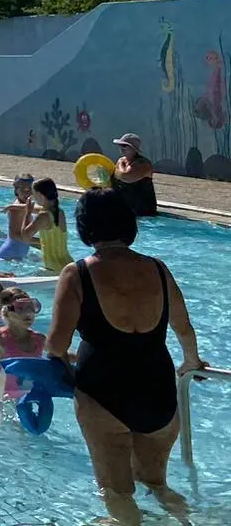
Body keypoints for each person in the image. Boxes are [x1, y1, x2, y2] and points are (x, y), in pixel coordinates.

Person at [46, 188, 207, 525]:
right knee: (158, 484)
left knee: (117, 492)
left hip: (103, 395)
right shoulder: (158, 270)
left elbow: (56, 347)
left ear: (85, 227)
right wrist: (191, 362)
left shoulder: (77, 274)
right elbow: (185, 330)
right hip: (159, 392)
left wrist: (61, 369)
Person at [28, 177, 73, 272]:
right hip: (68, 265)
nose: (32, 196)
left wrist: (27, 214)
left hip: (53, 269)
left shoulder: (43, 215)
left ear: (40, 195)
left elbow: (25, 236)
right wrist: (15, 206)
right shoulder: (59, 212)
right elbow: (38, 208)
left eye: (33, 193)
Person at [111, 133, 158, 217]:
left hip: (143, 211)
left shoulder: (143, 164)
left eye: (125, 146)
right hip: (126, 208)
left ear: (134, 149)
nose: (121, 148)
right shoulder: (121, 161)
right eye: (120, 145)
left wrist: (117, 167)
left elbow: (125, 176)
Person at [0, 174, 38, 261]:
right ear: (16, 190)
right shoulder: (15, 209)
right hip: (9, 255)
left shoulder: (25, 206)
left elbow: (44, 209)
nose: (27, 192)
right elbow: (14, 235)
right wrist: (41, 242)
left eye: (30, 189)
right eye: (23, 189)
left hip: (18, 254)